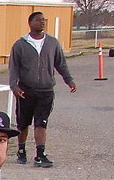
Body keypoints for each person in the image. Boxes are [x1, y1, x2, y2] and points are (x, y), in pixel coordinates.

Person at [8, 11, 76, 168]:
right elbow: (13, 68)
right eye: (38, 20)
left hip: (46, 91)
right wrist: (14, 86)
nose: (42, 22)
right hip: (26, 90)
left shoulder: (52, 43)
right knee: (23, 123)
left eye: (43, 20)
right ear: (30, 23)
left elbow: (61, 64)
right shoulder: (20, 45)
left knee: (41, 122)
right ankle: (21, 150)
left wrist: (69, 80)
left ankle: (40, 154)